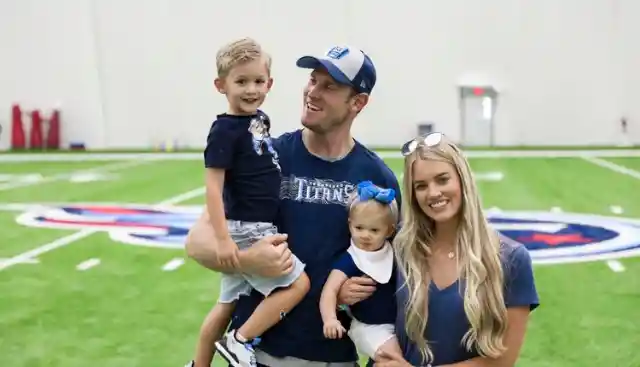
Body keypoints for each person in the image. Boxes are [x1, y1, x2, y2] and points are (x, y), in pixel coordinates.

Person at [185, 44, 401, 367]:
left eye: (329, 86)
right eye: (313, 80)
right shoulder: (265, 155)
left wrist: (346, 295)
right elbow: (196, 243)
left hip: (333, 359)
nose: (312, 92)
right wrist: (248, 260)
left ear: (358, 102)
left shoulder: (377, 178)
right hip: (257, 356)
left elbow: (395, 279)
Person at [187, 37, 311, 367]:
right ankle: (239, 340)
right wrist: (224, 241)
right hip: (248, 227)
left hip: (254, 223)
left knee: (226, 304)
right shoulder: (224, 130)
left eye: (258, 81)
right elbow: (213, 187)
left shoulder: (260, 119)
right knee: (298, 284)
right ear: (221, 85)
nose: (251, 89)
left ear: (269, 83)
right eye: (241, 81)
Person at [372, 132, 540, 367]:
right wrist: (344, 291)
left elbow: (502, 361)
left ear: (462, 180)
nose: (432, 193)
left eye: (442, 179)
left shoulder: (510, 258)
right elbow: (366, 315)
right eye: (421, 186)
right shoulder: (398, 245)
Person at [319, 181, 403, 360]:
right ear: (350, 225)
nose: (365, 235)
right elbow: (329, 290)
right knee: (395, 359)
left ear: (389, 231)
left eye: (374, 230)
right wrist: (330, 319)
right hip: (369, 327)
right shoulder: (351, 258)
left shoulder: (394, 251)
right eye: (359, 228)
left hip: (398, 324)